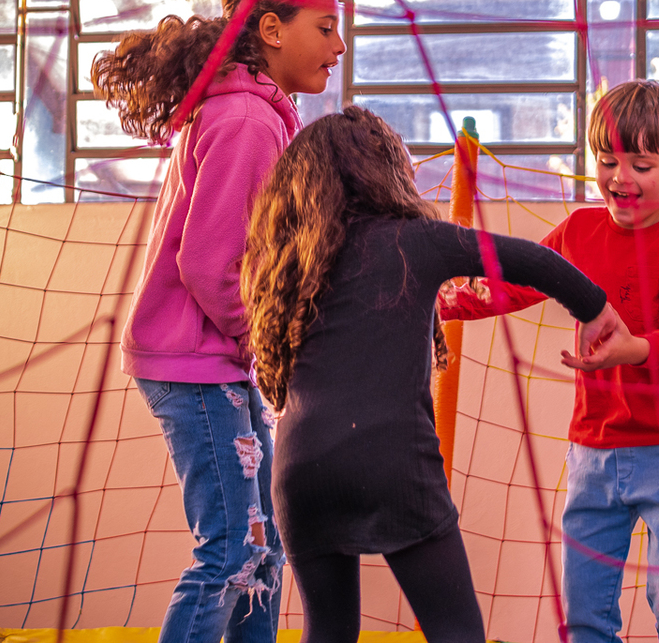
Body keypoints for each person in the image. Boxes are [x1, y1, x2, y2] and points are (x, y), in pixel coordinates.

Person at [240, 105, 620, 643]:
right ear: (386, 172)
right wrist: (598, 310)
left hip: (301, 470)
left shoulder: (293, 259)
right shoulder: (413, 238)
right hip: (392, 462)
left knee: (327, 631)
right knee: (455, 631)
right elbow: (533, 261)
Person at [90, 0, 346, 643]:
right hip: (195, 363)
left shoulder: (255, 113)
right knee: (232, 552)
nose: (338, 45)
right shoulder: (245, 121)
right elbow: (209, 263)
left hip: (213, 363)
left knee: (262, 551)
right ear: (270, 29)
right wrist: (263, 346)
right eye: (324, 28)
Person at [438, 80, 659, 643]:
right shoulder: (578, 231)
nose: (621, 177)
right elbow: (513, 284)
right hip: (593, 451)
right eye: (608, 160)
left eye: (642, 165)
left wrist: (632, 349)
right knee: (586, 608)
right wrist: (440, 296)